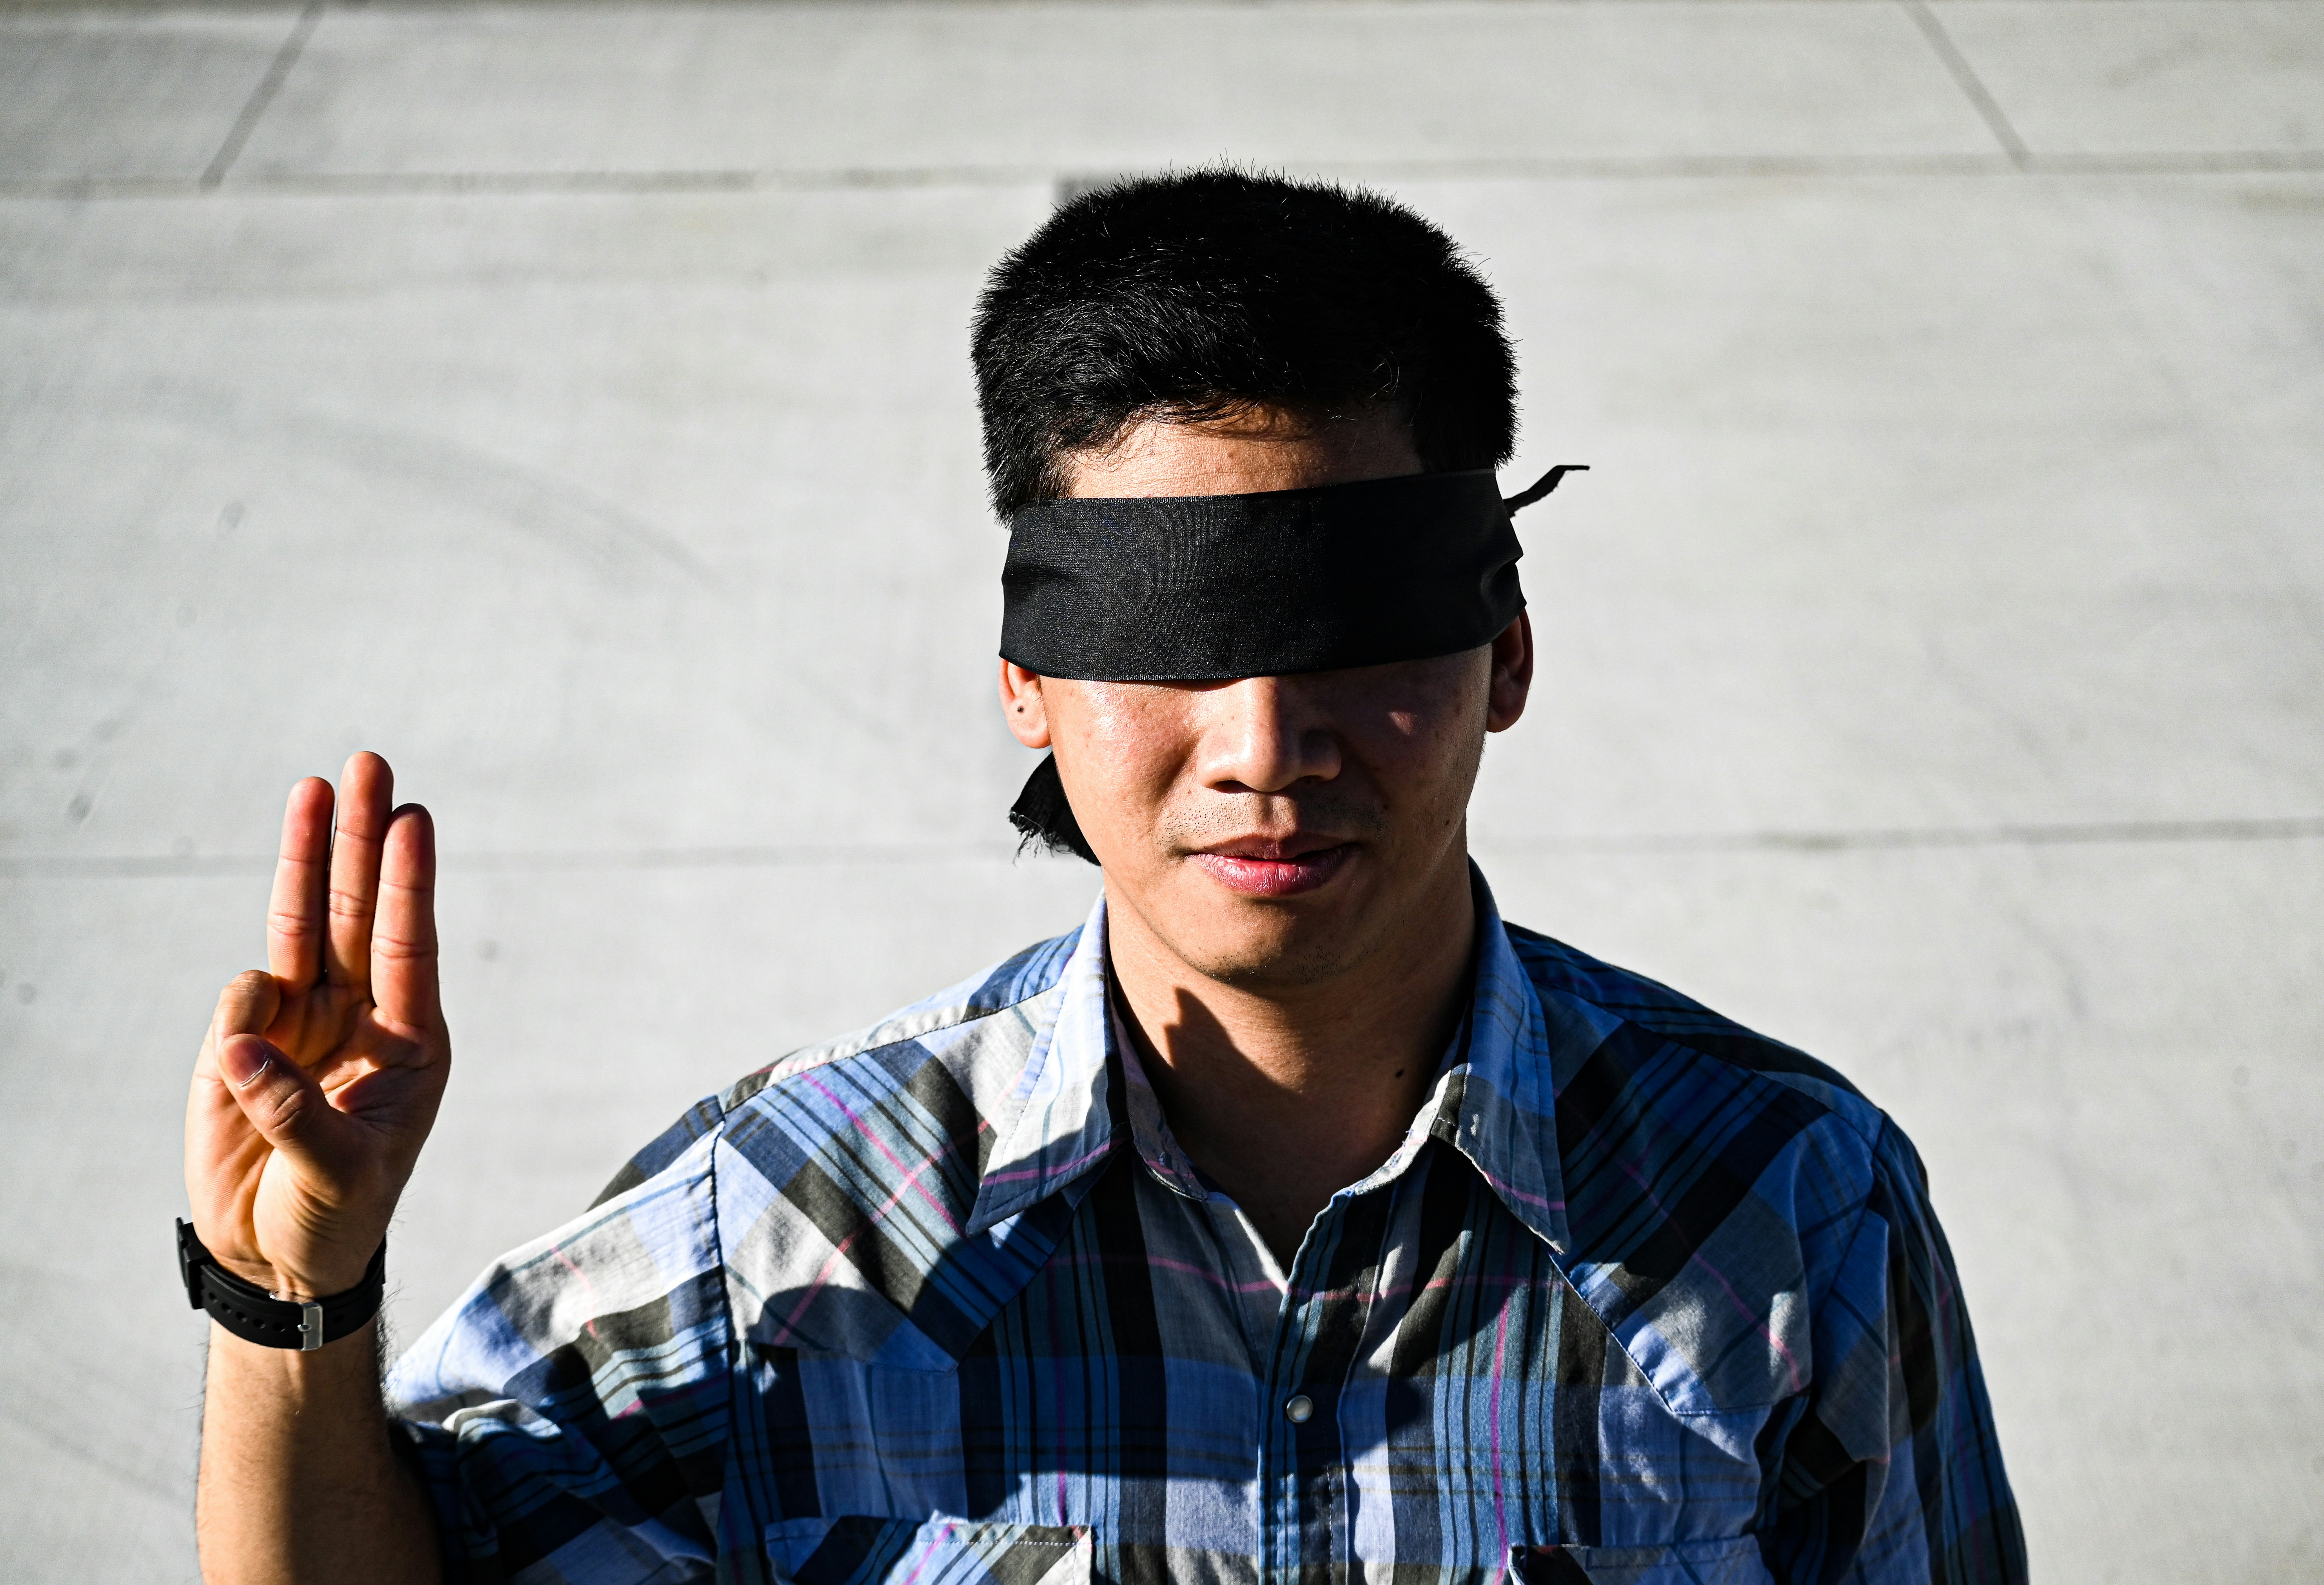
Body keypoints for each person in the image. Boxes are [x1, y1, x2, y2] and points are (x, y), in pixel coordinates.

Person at [181, 170, 2025, 1585]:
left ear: (1506, 650)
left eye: (1350, 630)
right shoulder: (792, 1231)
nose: (1263, 744)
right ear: (1028, 684)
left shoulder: (1787, 1210)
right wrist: (293, 1307)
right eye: (1174, 641)